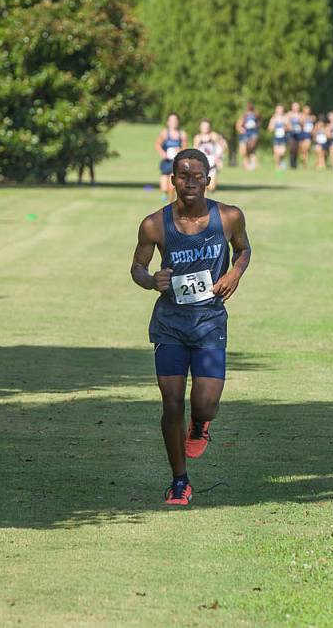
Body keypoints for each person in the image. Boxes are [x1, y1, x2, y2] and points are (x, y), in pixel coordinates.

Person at [130, 149, 252, 506]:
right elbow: (137, 268)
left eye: (197, 176)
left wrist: (234, 272)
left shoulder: (228, 217)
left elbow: (243, 249)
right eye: (183, 176)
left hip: (210, 320)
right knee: (171, 405)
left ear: (208, 180)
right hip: (170, 324)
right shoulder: (154, 224)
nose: (190, 182)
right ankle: (179, 481)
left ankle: (201, 424)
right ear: (172, 180)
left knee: (206, 402)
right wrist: (152, 280)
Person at [155, 113, 187, 203]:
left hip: (176, 163)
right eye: (171, 120)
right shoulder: (165, 133)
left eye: (175, 120)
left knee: (172, 186)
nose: (173, 122)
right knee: (164, 187)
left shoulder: (182, 134)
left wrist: (179, 150)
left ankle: (171, 203)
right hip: (166, 162)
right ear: (168, 122)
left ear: (178, 122)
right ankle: (164, 194)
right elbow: (157, 144)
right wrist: (162, 153)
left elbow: (184, 147)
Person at [195, 119, 225, 192]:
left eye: (207, 126)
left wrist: (218, 157)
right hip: (202, 165)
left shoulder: (213, 135)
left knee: (212, 187)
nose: (205, 128)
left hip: (212, 163)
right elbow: (195, 150)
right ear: (200, 127)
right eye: (203, 126)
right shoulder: (198, 137)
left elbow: (223, 146)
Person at [235, 102, 259, 171]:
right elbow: (238, 125)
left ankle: (251, 163)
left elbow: (259, 122)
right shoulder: (244, 115)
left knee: (251, 149)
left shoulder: (256, 114)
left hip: (252, 134)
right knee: (244, 151)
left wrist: (256, 126)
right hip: (245, 135)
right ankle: (246, 164)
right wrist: (242, 130)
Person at [269, 105, 289, 169]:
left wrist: (285, 127)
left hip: (283, 137)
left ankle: (281, 162)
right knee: (276, 152)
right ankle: (277, 166)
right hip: (276, 137)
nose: (280, 111)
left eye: (281, 109)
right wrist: (274, 127)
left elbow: (289, 127)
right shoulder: (273, 118)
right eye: (278, 109)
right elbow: (270, 128)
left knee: (282, 152)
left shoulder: (285, 118)